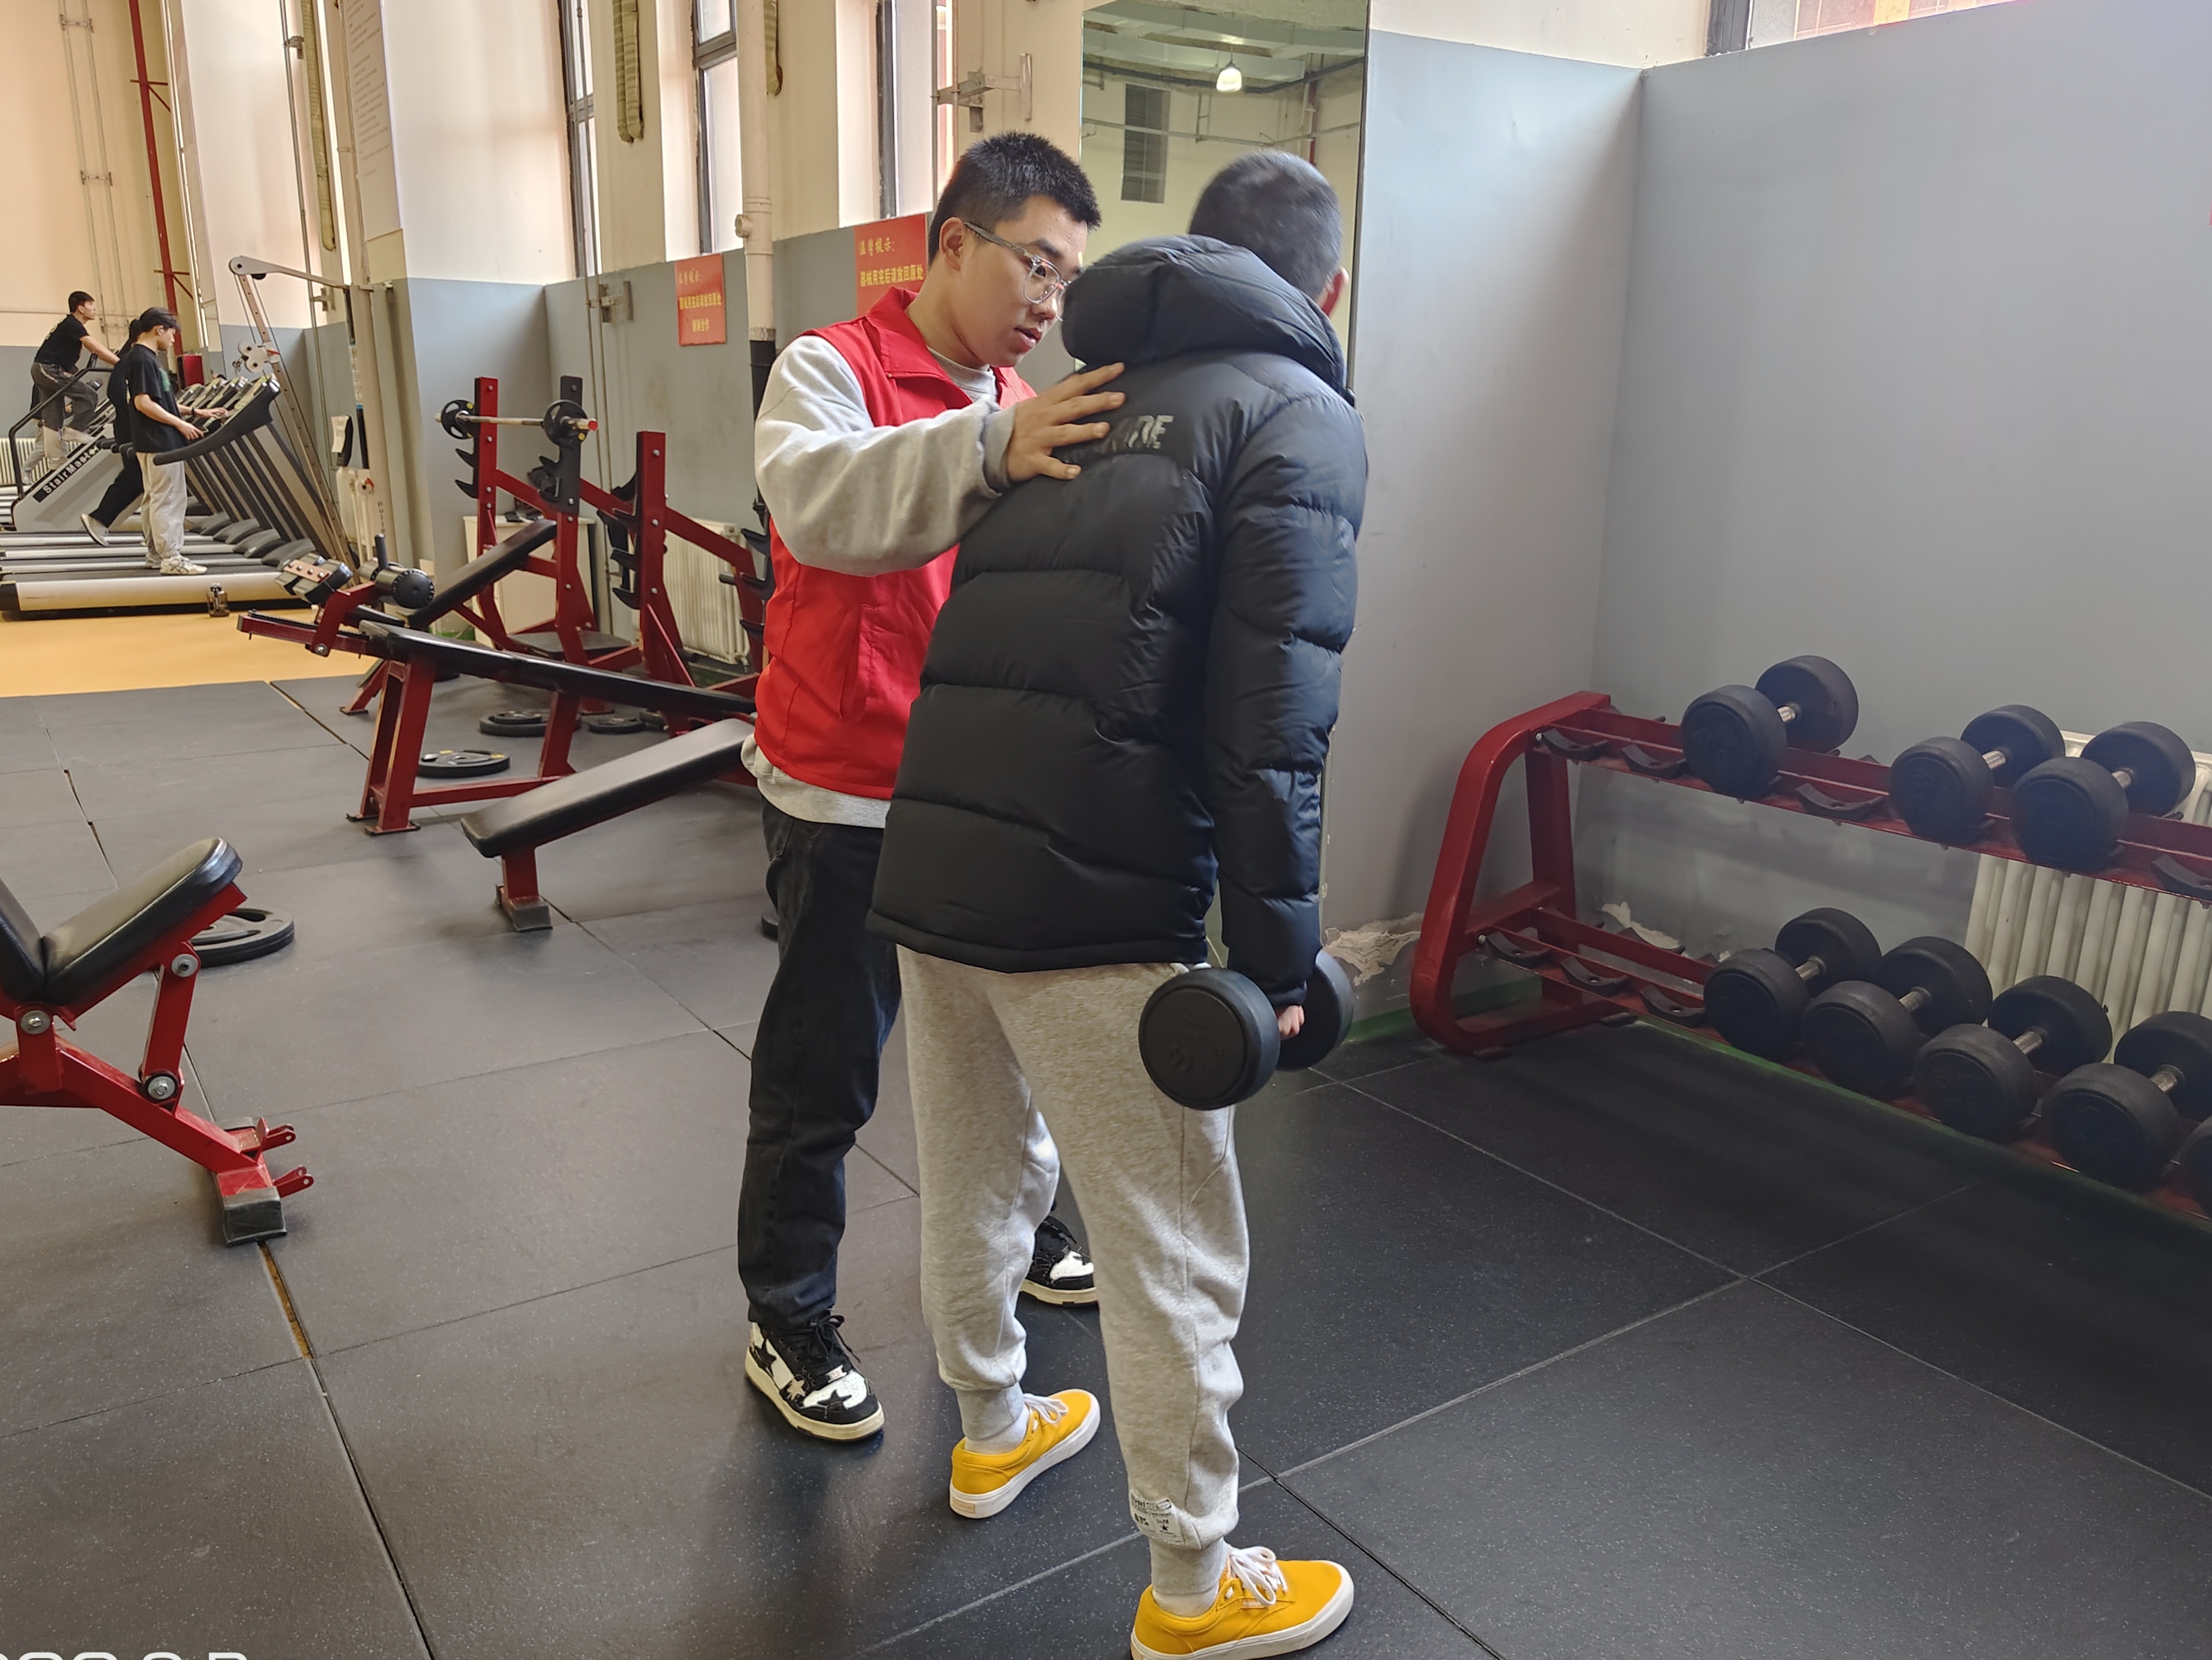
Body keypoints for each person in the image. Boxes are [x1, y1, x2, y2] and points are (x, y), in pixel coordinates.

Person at [867, 152, 1365, 1657]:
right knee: (1170, 1243)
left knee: (977, 1172)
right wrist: (1278, 962)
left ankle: (990, 1428)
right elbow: (1272, 723)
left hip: (939, 860)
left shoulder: (1072, 398)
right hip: (1100, 892)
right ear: (1327, 288)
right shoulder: (1296, 411)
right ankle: (1195, 1589)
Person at [738, 133, 1127, 1441]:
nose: (1050, 300)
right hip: (845, 794)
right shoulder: (830, 369)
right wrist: (992, 447)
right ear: (954, 243)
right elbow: (819, 505)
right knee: (824, 1078)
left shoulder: (1018, 397)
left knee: (1005, 1058)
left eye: (1069, 278)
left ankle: (1021, 1232)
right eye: (1036, 264)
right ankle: (786, 1313)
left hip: (977, 795)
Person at [115, 309, 208, 577]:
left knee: (155, 498)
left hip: (151, 440)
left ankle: (156, 555)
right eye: (172, 334)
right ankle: (172, 558)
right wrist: (180, 424)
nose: (173, 340)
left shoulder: (141, 357)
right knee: (168, 499)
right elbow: (143, 403)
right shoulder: (144, 359)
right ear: (159, 329)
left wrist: (195, 412)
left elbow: (161, 401)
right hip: (159, 440)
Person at [30, 291, 119, 465]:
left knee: (53, 416)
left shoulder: (70, 326)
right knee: (89, 395)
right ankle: (75, 429)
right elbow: (95, 347)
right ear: (81, 308)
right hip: (47, 368)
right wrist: (120, 363)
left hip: (45, 368)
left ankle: (56, 460)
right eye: (91, 305)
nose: (94, 309)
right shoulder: (73, 324)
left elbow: (87, 350)